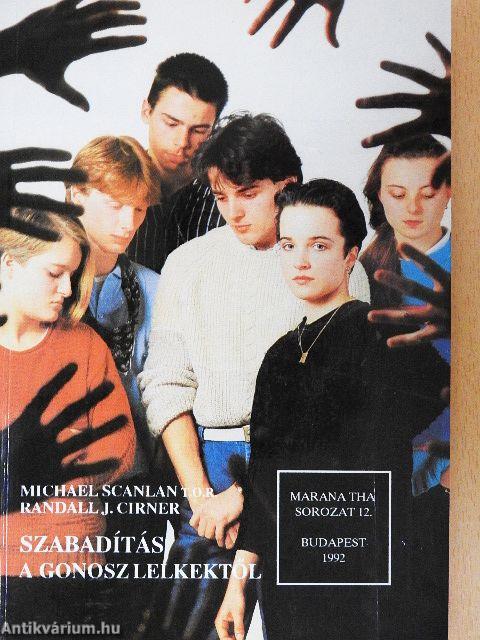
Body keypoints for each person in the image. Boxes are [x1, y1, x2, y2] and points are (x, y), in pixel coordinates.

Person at [139, 113, 370, 639]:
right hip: (207, 469)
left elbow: (337, 404)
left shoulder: (334, 261)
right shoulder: (188, 264)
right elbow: (167, 384)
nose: (234, 212)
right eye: (221, 197)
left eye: (248, 193)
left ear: (288, 184)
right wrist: (202, 498)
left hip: (303, 471)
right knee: (190, 627)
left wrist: (251, 496)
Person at [215, 179, 449, 640]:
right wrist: (236, 586)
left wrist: (444, 488)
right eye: (289, 245)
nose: (300, 260)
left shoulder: (381, 333)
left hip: (364, 572)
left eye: (319, 245)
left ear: (350, 255)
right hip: (288, 572)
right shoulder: (280, 354)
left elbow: (455, 401)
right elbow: (265, 476)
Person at [0, 207, 136, 627]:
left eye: (73, 276)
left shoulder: (85, 344)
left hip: (74, 561)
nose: (67, 289)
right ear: (10, 265)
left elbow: (120, 448)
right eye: (55, 273)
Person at [67, 135, 174, 637]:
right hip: (54, 489)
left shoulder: (155, 288)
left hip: (134, 487)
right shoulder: (37, 280)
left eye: (139, 208)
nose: (129, 223)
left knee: (129, 621)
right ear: (76, 195)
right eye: (114, 205)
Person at [359, 135, 451, 496]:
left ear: (449, 192)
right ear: (379, 196)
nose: (413, 208)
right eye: (398, 194)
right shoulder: (358, 274)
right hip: (388, 475)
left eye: (428, 194)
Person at [127, 52, 229, 273]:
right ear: (146, 111)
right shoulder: (109, 185)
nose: (182, 142)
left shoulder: (228, 197)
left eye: (199, 130)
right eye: (171, 123)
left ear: (213, 129)